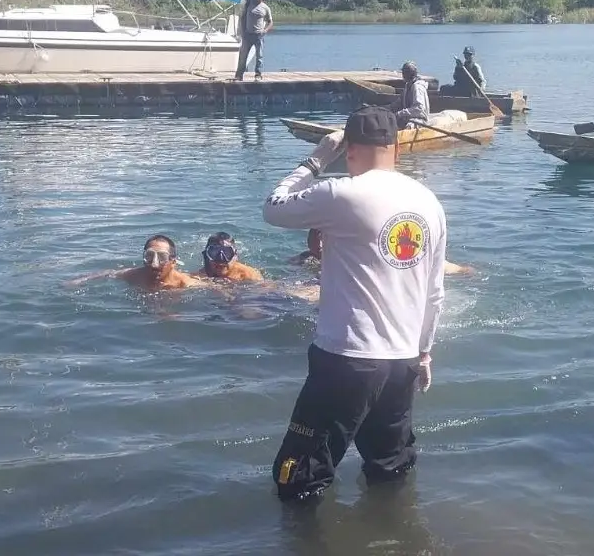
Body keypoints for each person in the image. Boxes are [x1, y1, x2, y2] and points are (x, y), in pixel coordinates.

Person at [261, 105, 447, 503]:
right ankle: (394, 537)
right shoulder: (428, 201)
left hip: (347, 357)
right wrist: (425, 353)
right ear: (396, 147)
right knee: (390, 466)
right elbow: (435, 290)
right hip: (403, 362)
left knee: (298, 476)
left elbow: (273, 207)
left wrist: (315, 160)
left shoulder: (340, 192)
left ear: (349, 150)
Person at [297, 228, 470, 275]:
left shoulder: (352, 256)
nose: (319, 244)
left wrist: (464, 271)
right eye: (315, 238)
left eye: (323, 238)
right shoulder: (304, 259)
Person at [67, 234, 201, 291]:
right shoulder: (134, 275)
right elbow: (108, 273)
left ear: (173, 262)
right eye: (149, 256)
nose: (154, 264)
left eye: (162, 258)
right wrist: (77, 281)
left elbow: (214, 287)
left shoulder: (186, 283)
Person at [234, 0, 273, 81]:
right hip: (248, 35)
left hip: (259, 35)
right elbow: (243, 18)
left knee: (259, 56)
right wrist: (243, 31)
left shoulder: (265, 8)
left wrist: (265, 30)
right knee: (243, 56)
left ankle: (258, 74)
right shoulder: (248, 5)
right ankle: (239, 75)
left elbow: (270, 22)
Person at [196, 231, 263, 282]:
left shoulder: (249, 274)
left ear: (235, 256)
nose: (221, 259)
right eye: (214, 253)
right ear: (205, 255)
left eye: (227, 253)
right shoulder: (198, 277)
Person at [392, 61, 430, 130]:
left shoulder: (417, 87)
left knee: (408, 127)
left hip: (419, 120)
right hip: (408, 118)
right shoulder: (408, 85)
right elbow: (398, 103)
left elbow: (419, 109)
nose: (403, 75)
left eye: (404, 73)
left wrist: (400, 113)